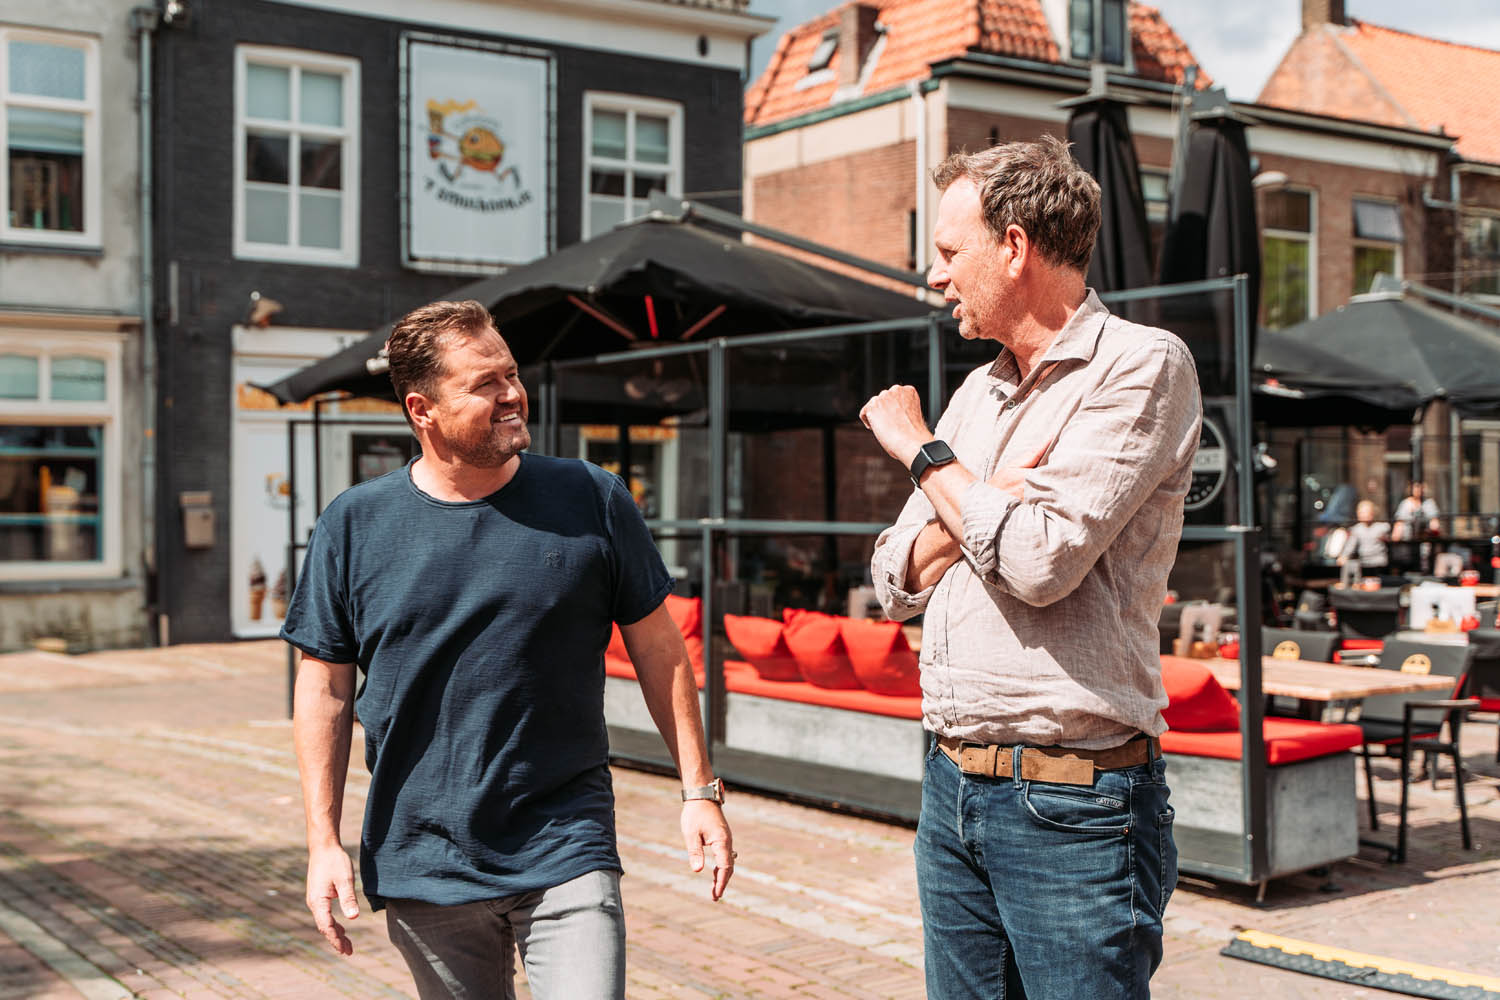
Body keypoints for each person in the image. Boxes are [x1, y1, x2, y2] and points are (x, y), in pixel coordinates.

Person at [283, 300, 733, 1000]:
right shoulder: (354, 525)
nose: (512, 395)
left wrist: (699, 791)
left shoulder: (591, 498)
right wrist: (322, 843)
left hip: (566, 840)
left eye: (512, 375)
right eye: (484, 384)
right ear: (422, 410)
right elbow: (325, 689)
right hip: (423, 855)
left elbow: (660, 649)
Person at [859, 136, 1201, 999]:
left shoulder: (1141, 364)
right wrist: (983, 496)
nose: (936, 275)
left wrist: (922, 454)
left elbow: (1040, 561)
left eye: (949, 252)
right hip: (951, 786)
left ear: (1013, 247)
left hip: (1074, 803)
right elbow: (892, 578)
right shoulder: (979, 392)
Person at [1336, 499, 1390, 570]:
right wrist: (1344, 556)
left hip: (1379, 562)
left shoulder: (1383, 527)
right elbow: (1350, 546)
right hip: (1363, 562)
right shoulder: (1356, 529)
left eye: (1366, 512)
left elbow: (1390, 539)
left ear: (1372, 513)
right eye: (1361, 512)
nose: (1363, 515)